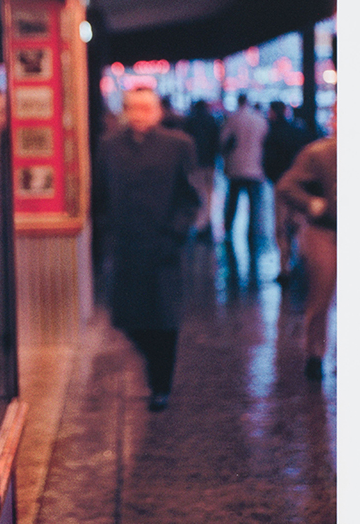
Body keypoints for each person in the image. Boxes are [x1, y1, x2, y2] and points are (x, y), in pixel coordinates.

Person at [97, 87, 200, 411]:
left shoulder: (178, 145)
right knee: (128, 320)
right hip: (127, 249)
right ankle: (153, 366)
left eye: (147, 108)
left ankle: (161, 386)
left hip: (163, 248)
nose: (140, 114)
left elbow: (190, 197)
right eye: (134, 108)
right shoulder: (109, 146)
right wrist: (105, 236)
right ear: (125, 111)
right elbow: (99, 194)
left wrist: (176, 235)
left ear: (158, 112)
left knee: (164, 321)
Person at [276, 106, 337, 380]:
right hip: (325, 231)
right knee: (321, 294)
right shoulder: (318, 153)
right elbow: (286, 186)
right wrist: (313, 204)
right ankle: (315, 354)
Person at [263, 100, 310, 283]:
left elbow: (267, 160)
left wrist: (274, 178)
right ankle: (301, 262)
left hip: (281, 185)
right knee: (298, 224)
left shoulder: (273, 133)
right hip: (300, 186)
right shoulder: (300, 133)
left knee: (282, 228)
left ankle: (285, 268)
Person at [220, 93, 269, 248]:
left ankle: (228, 229)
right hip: (255, 167)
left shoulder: (233, 118)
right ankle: (253, 231)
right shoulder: (259, 119)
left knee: (232, 201)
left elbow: (223, 140)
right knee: (254, 203)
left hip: (236, 166)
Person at [183, 99, 221, 241]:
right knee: (209, 192)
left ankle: (199, 222)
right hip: (209, 162)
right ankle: (206, 222)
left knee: (198, 192)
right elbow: (217, 142)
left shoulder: (190, 121)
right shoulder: (211, 121)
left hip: (196, 162)